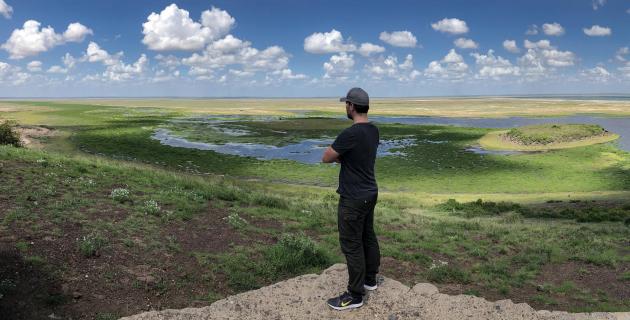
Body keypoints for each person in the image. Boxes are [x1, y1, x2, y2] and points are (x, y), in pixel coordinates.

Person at [322, 87, 381, 311]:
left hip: (353, 197)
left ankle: (355, 295)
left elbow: (326, 157)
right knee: (367, 236)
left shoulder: (350, 134)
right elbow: (360, 157)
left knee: (351, 244)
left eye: (346, 104)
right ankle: (370, 280)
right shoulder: (374, 131)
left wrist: (341, 157)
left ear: (352, 106)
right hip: (370, 192)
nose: (345, 107)